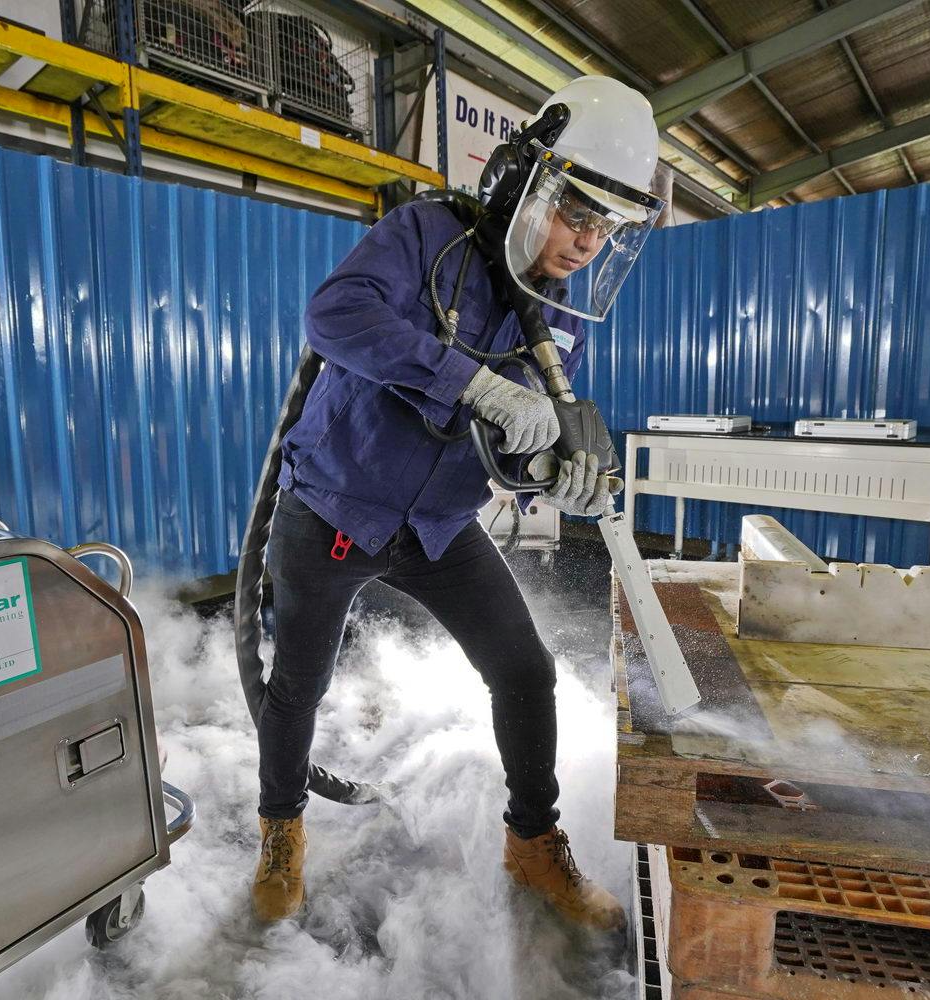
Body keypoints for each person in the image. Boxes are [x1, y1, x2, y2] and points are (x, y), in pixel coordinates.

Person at [251, 76, 665, 930]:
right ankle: (281, 830)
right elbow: (335, 316)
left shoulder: (558, 315)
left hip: (438, 526)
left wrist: (555, 475)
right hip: (334, 507)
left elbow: (516, 445)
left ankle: (531, 841)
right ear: (526, 180)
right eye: (577, 213)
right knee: (298, 683)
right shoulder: (426, 236)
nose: (588, 241)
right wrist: (473, 382)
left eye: (607, 228)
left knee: (525, 671)